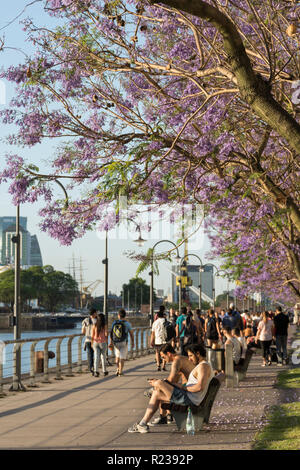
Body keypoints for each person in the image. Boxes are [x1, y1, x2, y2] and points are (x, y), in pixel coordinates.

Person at [128, 343, 214, 434]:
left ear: (198, 354)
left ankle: (154, 394)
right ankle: (143, 424)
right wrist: (179, 386)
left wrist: (181, 387)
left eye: (191, 356)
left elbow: (199, 387)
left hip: (189, 399)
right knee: (156, 393)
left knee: (159, 383)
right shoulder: (203, 366)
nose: (189, 359)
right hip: (189, 397)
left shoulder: (203, 367)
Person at [148, 343, 195, 426]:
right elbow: (173, 381)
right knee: (161, 386)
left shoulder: (176, 361)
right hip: (190, 391)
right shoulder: (182, 358)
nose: (164, 360)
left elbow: (170, 380)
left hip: (189, 394)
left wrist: (156, 382)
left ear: (169, 354)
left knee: (159, 388)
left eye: (163, 357)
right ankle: (168, 415)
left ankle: (163, 417)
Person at [109, 308, 134, 376]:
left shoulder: (114, 323)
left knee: (117, 357)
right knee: (122, 357)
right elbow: (131, 334)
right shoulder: (127, 324)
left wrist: (111, 342)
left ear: (118, 315)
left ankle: (117, 369)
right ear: (125, 315)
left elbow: (111, 333)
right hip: (123, 342)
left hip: (116, 342)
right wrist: (133, 342)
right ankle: (120, 371)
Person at [91, 313, 108, 377]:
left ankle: (96, 371)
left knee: (96, 357)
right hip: (103, 343)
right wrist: (106, 340)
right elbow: (106, 334)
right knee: (103, 357)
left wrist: (92, 343)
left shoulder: (94, 325)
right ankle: (104, 371)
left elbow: (92, 336)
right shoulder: (104, 326)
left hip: (95, 342)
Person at [81, 308, 97, 374]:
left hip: (87, 340)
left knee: (90, 354)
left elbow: (83, 331)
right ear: (94, 313)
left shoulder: (85, 320)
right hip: (95, 340)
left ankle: (90, 367)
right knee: (96, 354)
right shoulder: (97, 321)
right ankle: (95, 367)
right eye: (96, 313)